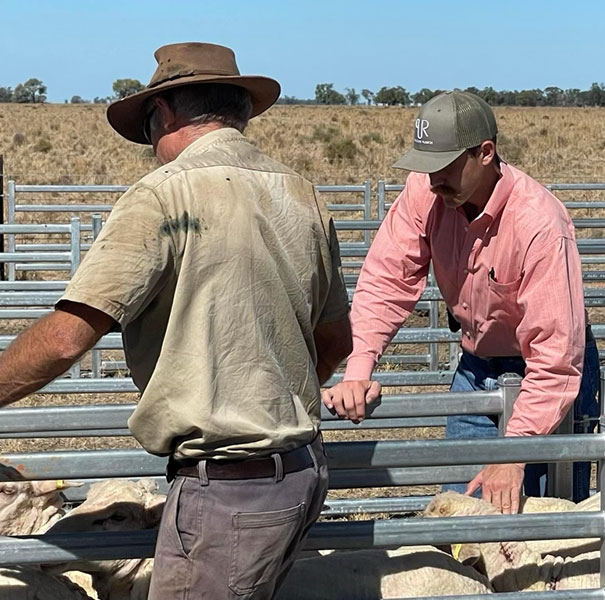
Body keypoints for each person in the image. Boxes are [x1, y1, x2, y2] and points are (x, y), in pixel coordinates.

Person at [0, 42, 351, 599]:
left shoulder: (164, 196)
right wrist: (270, 392)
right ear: (237, 109)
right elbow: (335, 338)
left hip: (229, 489)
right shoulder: (302, 195)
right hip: (303, 474)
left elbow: (68, 337)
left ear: (164, 113)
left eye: (146, 127)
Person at [323, 91, 599, 514]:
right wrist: (358, 368)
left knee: (544, 524)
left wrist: (513, 453)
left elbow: (556, 355)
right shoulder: (426, 193)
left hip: (544, 374)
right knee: (461, 510)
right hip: (476, 366)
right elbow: (387, 279)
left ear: (485, 153)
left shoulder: (539, 223)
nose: (432, 179)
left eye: (444, 166)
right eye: (425, 166)